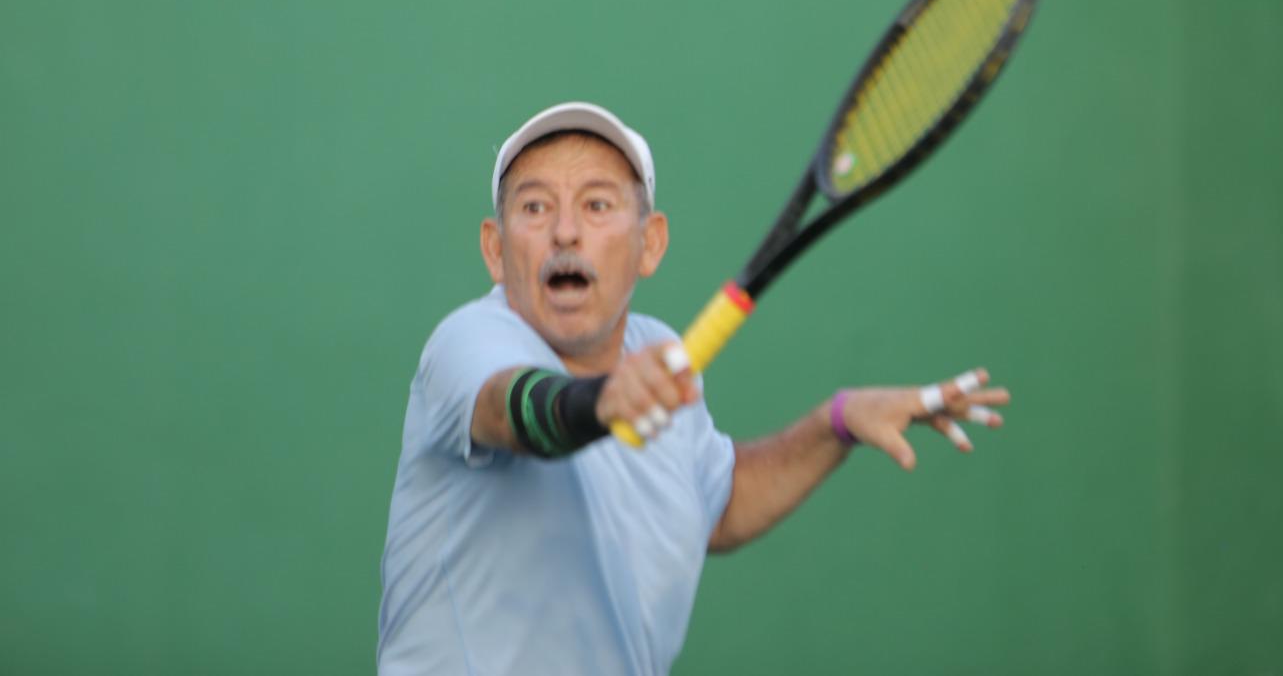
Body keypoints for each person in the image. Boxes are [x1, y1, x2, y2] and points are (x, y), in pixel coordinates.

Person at [377, 102, 1010, 676]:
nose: (564, 232)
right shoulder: (469, 342)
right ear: (495, 249)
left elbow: (717, 503)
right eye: (535, 207)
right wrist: (601, 402)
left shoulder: (659, 355)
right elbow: (519, 412)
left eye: (597, 205)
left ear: (650, 244)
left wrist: (836, 422)